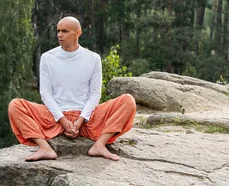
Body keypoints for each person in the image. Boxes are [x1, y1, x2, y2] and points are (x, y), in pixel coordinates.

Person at [8, 16, 136, 161]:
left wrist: (81, 120)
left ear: (78, 33)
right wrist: (62, 120)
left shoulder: (93, 58)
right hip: (54, 117)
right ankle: (45, 147)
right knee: (15, 105)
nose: (59, 35)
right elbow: (45, 93)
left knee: (128, 101)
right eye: (58, 31)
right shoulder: (47, 57)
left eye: (65, 31)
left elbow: (94, 94)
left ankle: (100, 144)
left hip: (88, 118)